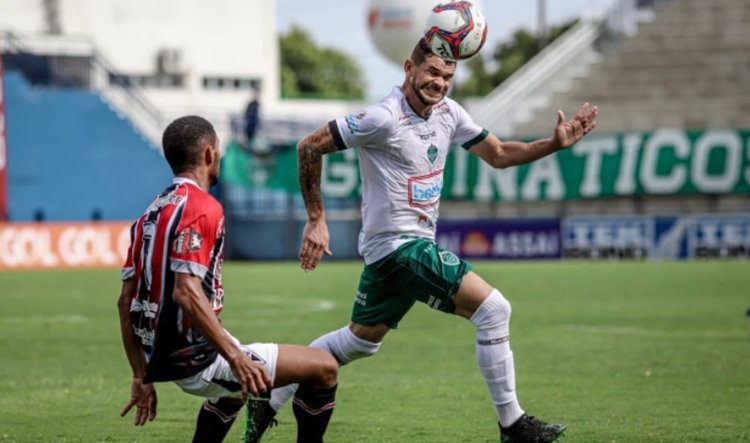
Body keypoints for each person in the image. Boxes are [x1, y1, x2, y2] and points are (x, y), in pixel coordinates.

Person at [269, 39, 599, 443]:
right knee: (494, 310)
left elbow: (498, 154)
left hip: (399, 251)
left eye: (447, 76)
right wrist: (317, 219)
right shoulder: (382, 118)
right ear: (410, 67)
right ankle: (513, 425)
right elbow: (309, 146)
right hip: (399, 248)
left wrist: (553, 144)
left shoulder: (449, 114)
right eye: (432, 73)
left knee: (358, 342)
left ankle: (269, 393)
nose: (439, 83)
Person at [117, 115, 339, 443]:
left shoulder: (150, 213)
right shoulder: (203, 207)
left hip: (166, 353)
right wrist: (235, 359)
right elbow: (185, 291)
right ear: (209, 154)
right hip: (195, 357)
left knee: (240, 388)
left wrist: (140, 374)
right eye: (218, 149)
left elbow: (125, 301)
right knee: (324, 367)